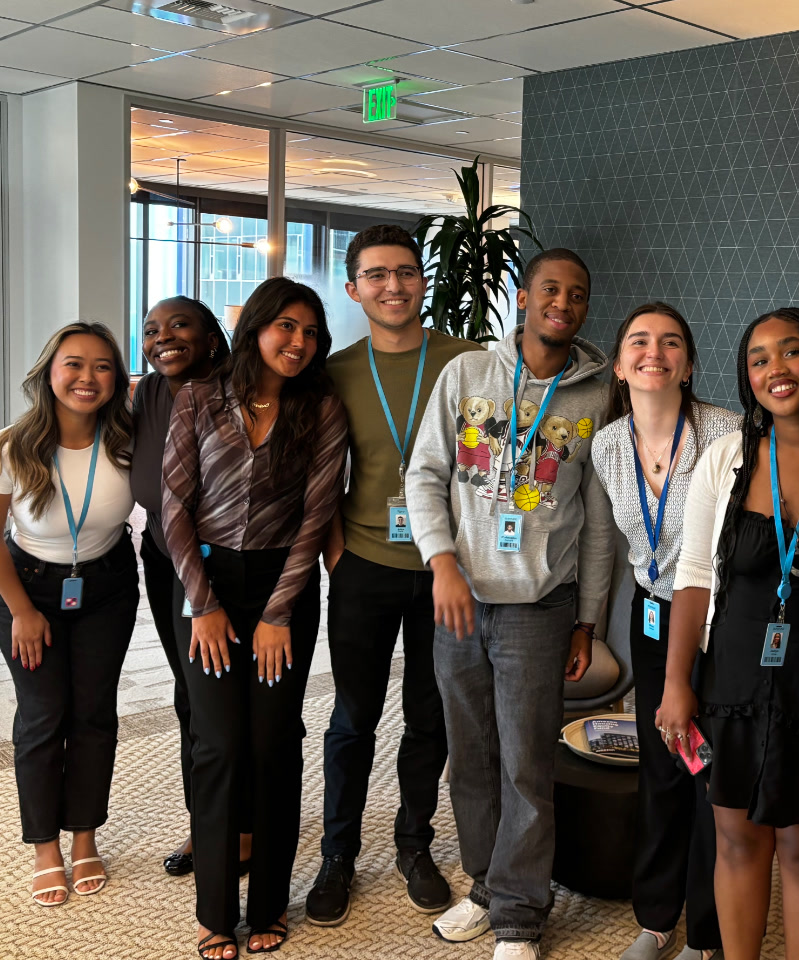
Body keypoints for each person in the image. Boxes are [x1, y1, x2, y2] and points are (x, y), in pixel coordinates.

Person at [405, 248, 613, 960]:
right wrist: (441, 564)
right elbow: (425, 476)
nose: (563, 301)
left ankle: (521, 915)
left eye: (577, 293)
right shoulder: (466, 374)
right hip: (459, 598)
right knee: (469, 758)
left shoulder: (597, 392)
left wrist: (587, 618)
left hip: (538, 605)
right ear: (523, 298)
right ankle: (487, 887)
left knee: (525, 762)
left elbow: (598, 520)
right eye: (550, 288)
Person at [656, 308, 799, 960]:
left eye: (791, 352)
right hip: (730, 679)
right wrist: (676, 684)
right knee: (737, 838)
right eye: (759, 358)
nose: (776, 369)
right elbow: (692, 578)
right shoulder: (729, 456)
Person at [163, 277, 348, 959]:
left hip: (284, 586)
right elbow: (174, 506)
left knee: (274, 746)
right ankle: (215, 910)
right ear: (257, 328)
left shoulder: (321, 410)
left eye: (310, 333)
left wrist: (279, 612)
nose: (298, 343)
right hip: (207, 583)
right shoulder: (198, 398)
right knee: (217, 747)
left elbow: (316, 515)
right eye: (287, 327)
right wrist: (204, 605)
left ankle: (268, 902)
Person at [306, 224, 483, 927]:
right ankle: (337, 854)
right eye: (377, 275)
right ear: (354, 288)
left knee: (429, 717)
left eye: (406, 272)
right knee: (352, 718)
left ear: (422, 281)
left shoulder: (467, 361)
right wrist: (335, 552)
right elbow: (315, 475)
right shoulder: (337, 371)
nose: (394, 286)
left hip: (450, 573)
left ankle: (415, 845)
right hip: (365, 565)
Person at [591, 302, 738, 960]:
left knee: (713, 773)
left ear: (688, 362)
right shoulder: (605, 445)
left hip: (718, 621)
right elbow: (608, 540)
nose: (655, 352)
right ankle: (655, 918)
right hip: (651, 614)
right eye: (640, 342)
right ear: (620, 365)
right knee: (662, 763)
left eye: (671, 342)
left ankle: (707, 934)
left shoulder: (727, 434)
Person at [0, 322, 137, 907]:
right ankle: (44, 848)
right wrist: (22, 611)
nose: (87, 377)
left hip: (106, 587)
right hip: (25, 589)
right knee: (42, 715)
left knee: (93, 714)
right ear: (48, 372)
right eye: (74, 364)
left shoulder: (131, 441)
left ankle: (85, 837)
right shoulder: (12, 445)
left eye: (103, 366)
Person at [131, 297, 247, 879]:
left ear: (210, 338)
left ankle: (244, 826)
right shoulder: (147, 393)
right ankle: (207, 821)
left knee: (229, 696)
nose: (162, 338)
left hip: (229, 563)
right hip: (163, 558)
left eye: (179, 325)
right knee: (189, 692)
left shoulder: (238, 390)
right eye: (151, 330)